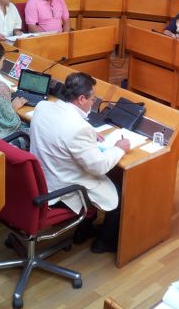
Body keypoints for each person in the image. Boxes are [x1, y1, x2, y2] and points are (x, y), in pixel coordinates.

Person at [30, 72, 130, 253]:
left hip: (40, 178)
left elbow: (61, 127)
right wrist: (119, 148)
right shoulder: (78, 128)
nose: (93, 103)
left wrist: (89, 133)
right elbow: (99, 167)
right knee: (119, 192)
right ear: (82, 99)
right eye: (93, 99)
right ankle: (104, 242)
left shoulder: (43, 106)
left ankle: (83, 231)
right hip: (61, 188)